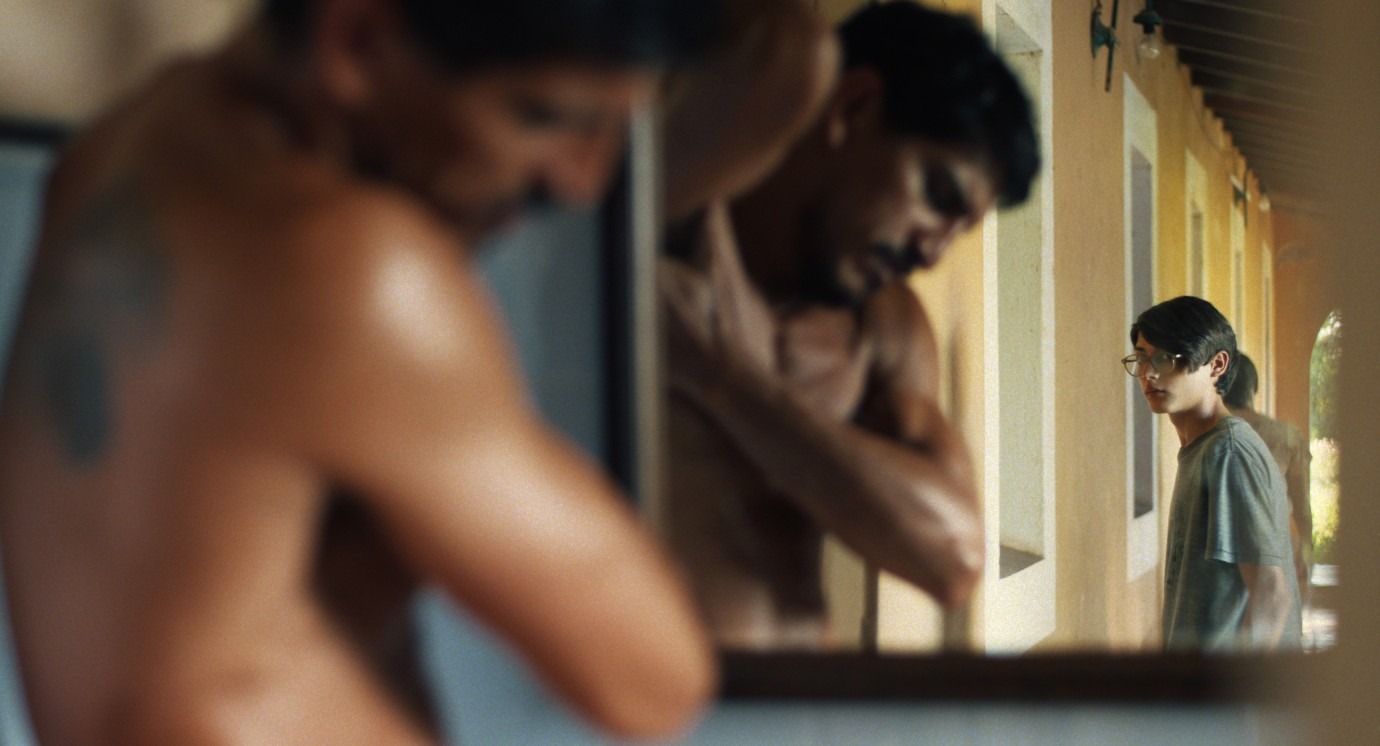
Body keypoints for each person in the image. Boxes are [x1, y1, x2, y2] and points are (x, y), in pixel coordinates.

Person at [0, 1, 720, 742]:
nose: (581, 181)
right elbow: (651, 679)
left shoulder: (120, 146)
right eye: (544, 116)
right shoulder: (350, 268)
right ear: (358, 39)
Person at [657, 1, 1039, 649]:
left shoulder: (882, 326)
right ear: (854, 107)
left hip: (804, 693)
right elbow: (795, 48)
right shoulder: (685, 219)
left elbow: (953, 559)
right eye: (938, 194)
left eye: (958, 231)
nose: (931, 253)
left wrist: (725, 381)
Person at [1126, 296, 1301, 651]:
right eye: (1142, 358)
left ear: (1216, 364)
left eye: (1166, 358)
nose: (1149, 373)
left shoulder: (1228, 452)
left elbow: (1271, 595)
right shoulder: (1203, 449)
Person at [1223, 353, 1313, 601]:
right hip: (1272, 549)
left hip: (1221, 553)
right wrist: (1306, 548)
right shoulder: (1286, 436)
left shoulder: (1209, 434)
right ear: (1254, 388)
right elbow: (1302, 505)